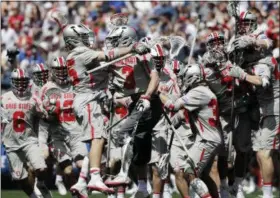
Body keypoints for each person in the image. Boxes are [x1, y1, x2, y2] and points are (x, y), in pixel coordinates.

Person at [63, 23, 149, 195]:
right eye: (83, 36)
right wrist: (132, 47)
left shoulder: (77, 54)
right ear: (75, 39)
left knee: (101, 138)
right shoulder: (81, 53)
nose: (88, 39)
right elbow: (109, 55)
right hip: (88, 98)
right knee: (98, 138)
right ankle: (94, 177)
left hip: (90, 98)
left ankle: (84, 180)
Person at [102, 26, 161, 198]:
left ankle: (123, 173)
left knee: (125, 133)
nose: (112, 44)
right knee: (140, 149)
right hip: (132, 103)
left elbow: (155, 76)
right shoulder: (116, 57)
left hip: (146, 100)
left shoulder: (144, 54)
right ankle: (143, 186)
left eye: (115, 40)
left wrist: (147, 96)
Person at [228, 11, 279, 198]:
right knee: (251, 150)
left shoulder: (264, 59)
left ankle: (267, 194)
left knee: (264, 153)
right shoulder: (241, 51)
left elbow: (267, 43)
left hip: (271, 107)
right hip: (254, 106)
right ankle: (239, 186)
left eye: (249, 23)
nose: (246, 26)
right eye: (243, 23)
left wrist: (241, 74)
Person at [202, 31, 253, 198]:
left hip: (241, 109)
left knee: (242, 149)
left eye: (220, 41)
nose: (218, 45)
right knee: (222, 152)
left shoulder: (234, 56)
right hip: (222, 113)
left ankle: (237, 185)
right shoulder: (206, 65)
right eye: (214, 42)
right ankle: (223, 186)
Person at [160, 63, 222, 198]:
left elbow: (172, 106)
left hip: (207, 139)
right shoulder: (203, 91)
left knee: (189, 170)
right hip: (209, 137)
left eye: (185, 77)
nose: (183, 80)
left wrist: (158, 93)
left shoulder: (198, 92)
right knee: (204, 175)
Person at [40, 56, 88, 197]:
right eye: (58, 70)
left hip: (76, 131)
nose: (61, 72)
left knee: (82, 163)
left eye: (63, 69)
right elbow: (44, 116)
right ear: (52, 71)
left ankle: (81, 186)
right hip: (57, 133)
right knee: (67, 170)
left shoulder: (75, 84)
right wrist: (51, 111)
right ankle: (75, 192)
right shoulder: (47, 88)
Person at [1, 68, 52, 198]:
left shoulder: (34, 98)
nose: (20, 84)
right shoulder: (3, 98)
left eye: (23, 81)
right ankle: (33, 196)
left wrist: (49, 110)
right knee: (19, 178)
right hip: (11, 143)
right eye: (17, 81)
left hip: (29, 140)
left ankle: (40, 184)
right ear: (12, 81)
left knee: (41, 168)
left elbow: (45, 116)